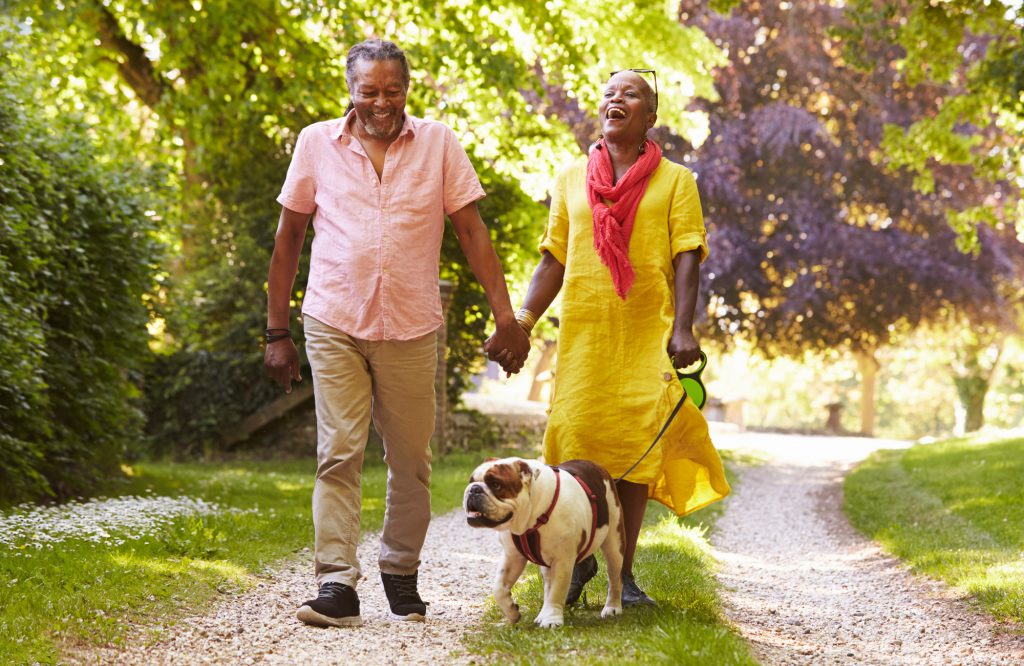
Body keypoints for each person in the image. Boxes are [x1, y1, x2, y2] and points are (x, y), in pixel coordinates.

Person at [264, 38, 530, 628]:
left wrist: (505, 316)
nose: (382, 103)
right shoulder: (316, 143)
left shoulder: (438, 143)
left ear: (407, 89)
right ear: (350, 92)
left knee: (411, 460)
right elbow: (287, 240)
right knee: (338, 453)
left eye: (393, 90)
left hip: (410, 325)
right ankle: (336, 584)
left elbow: (471, 231)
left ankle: (400, 570)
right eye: (369, 92)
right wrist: (275, 331)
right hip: (334, 318)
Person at [492, 69, 730, 606]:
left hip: (647, 333)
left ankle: (624, 575)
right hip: (584, 336)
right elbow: (554, 257)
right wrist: (523, 322)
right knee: (575, 443)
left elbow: (687, 254)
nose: (615, 98)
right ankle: (573, 564)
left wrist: (684, 328)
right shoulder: (571, 178)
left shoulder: (676, 181)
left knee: (634, 455)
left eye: (632, 93)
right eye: (609, 92)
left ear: (650, 117)